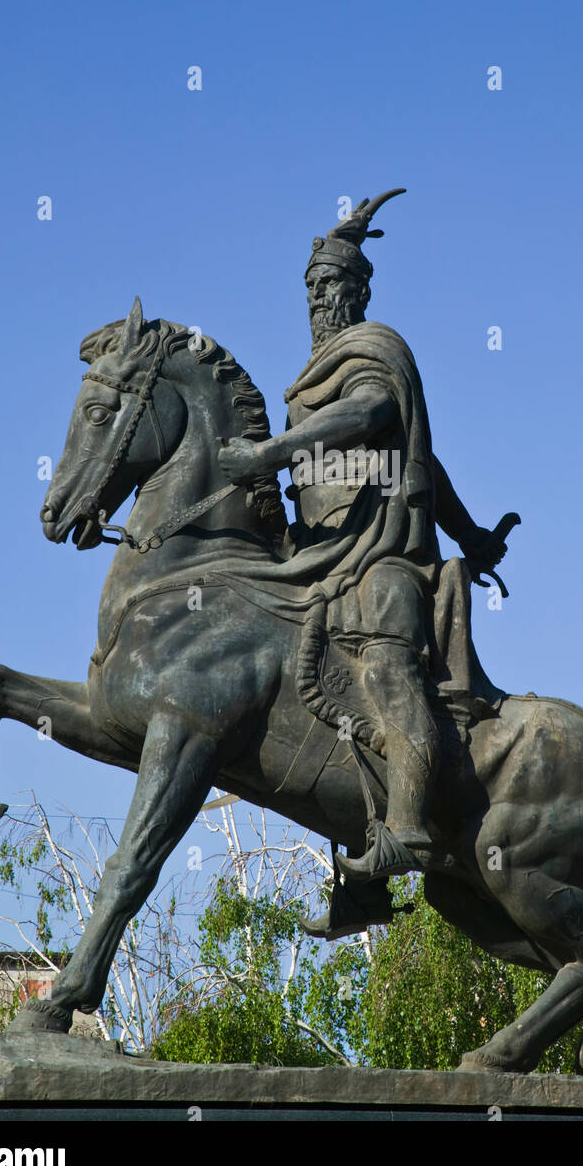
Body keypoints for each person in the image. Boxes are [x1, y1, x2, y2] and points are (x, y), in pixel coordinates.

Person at [218, 190, 509, 882]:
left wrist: (270, 452)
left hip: (382, 556)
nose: (319, 298)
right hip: (317, 555)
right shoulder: (310, 374)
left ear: (358, 290)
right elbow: (411, 458)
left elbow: (379, 418)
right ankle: (359, 868)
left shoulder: (375, 353)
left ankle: (406, 830)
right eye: (311, 287)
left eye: (331, 285)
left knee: (384, 669)